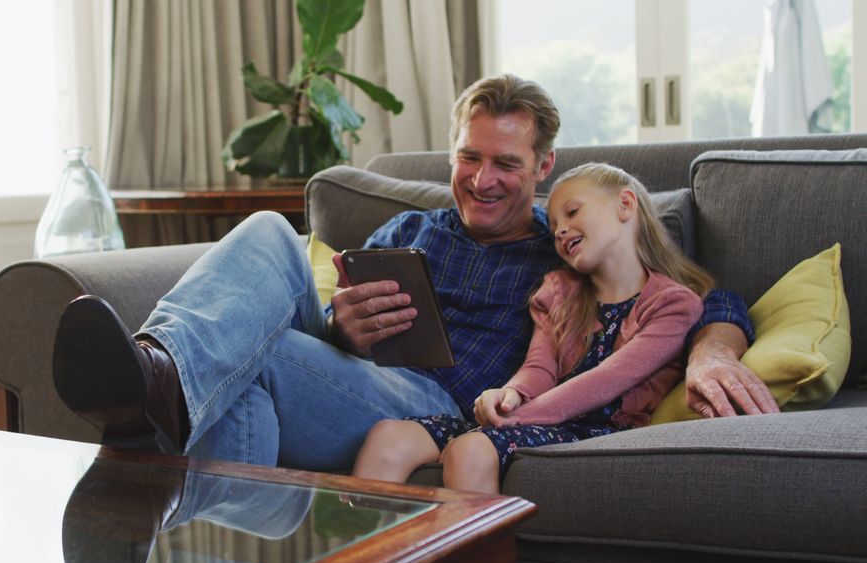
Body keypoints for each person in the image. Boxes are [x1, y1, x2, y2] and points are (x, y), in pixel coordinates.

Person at [50, 74, 778, 472]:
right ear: (451, 151)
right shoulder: (408, 230)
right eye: (469, 157)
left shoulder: (564, 248)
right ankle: (161, 373)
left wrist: (713, 345)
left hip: (438, 409)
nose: (483, 179)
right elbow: (332, 330)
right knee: (271, 234)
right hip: (352, 380)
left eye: (506, 164)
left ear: (543, 168)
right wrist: (343, 325)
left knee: (249, 358)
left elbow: (706, 293)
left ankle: (157, 401)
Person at [352, 163, 708, 493]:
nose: (561, 230)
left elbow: (609, 379)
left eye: (572, 212)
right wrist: (508, 396)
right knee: (389, 436)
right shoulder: (558, 292)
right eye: (553, 228)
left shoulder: (673, 304)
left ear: (625, 205)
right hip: (531, 422)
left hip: (597, 431)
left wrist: (517, 418)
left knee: (471, 449)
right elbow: (539, 367)